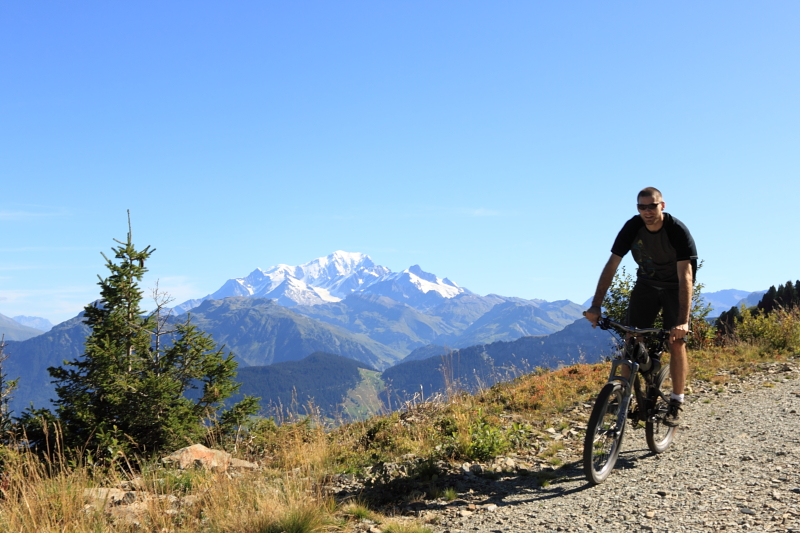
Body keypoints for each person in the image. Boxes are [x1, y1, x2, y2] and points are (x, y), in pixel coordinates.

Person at [584, 187, 697, 427]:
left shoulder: (676, 231)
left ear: (662, 206)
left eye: (652, 206)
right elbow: (612, 265)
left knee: (675, 343)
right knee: (631, 338)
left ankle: (676, 401)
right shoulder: (632, 227)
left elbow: (686, 276)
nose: (647, 211)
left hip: (675, 287)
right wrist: (596, 305)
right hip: (646, 285)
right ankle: (622, 395)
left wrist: (683, 321)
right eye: (641, 207)